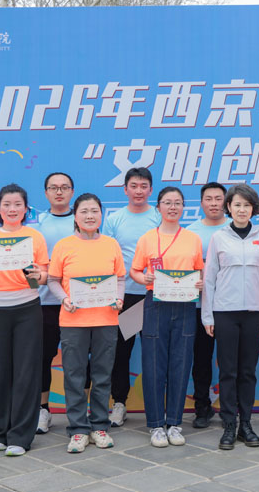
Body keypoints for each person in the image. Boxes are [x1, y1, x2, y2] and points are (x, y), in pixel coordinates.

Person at [0, 184, 50, 457]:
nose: (12, 209)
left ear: (26, 209)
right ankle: (1, 432)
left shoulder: (34, 237)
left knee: (26, 372)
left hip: (27, 309)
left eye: (17, 204)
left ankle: (21, 436)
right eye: (7, 204)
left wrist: (36, 275)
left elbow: (41, 279)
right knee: (0, 372)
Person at [46, 193, 126, 453]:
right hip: (73, 321)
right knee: (74, 376)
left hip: (106, 319)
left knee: (102, 375)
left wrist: (119, 299)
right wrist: (64, 299)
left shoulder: (111, 244)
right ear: (75, 215)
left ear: (102, 215)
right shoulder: (64, 245)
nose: (90, 216)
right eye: (84, 211)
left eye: (94, 211)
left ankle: (100, 426)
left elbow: (120, 278)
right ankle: (78, 429)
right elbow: (53, 280)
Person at [202, 184, 259, 449]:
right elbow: (209, 278)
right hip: (224, 312)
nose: (242, 210)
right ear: (229, 208)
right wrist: (208, 316)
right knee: (228, 371)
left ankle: (246, 424)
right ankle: (228, 425)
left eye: (246, 205)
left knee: (247, 371)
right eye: (237, 205)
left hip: (254, 312)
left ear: (253, 209)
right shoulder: (219, 237)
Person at [131, 186, 205, 447]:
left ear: (183, 207)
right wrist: (144, 278)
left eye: (177, 203)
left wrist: (199, 283)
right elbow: (135, 271)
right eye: (167, 202)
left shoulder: (193, 238)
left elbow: (199, 271)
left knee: (181, 364)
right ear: (159, 207)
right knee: (153, 365)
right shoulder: (147, 239)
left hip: (185, 306)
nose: (173, 207)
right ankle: (155, 425)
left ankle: (174, 423)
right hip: (155, 304)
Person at [103, 167, 161, 428]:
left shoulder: (159, 217)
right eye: (134, 186)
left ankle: (156, 404)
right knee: (121, 353)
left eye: (144, 186)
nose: (139, 191)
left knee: (154, 353)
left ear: (151, 190)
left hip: (154, 297)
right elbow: (107, 256)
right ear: (125, 189)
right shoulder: (115, 219)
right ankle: (119, 403)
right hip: (125, 297)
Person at [29, 172, 76, 435]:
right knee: (43, 357)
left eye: (64, 187)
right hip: (44, 302)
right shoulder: (36, 224)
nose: (59, 192)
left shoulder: (82, 220)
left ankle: (79, 411)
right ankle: (43, 410)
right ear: (46, 192)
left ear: (72, 192)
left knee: (78, 359)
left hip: (76, 302)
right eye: (53, 188)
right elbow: (29, 264)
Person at [185, 181, 229, 429]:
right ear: (201, 203)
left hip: (230, 306)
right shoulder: (190, 233)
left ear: (226, 202)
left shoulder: (235, 229)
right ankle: (202, 407)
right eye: (209, 199)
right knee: (201, 359)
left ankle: (230, 408)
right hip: (199, 306)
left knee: (229, 360)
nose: (214, 203)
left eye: (218, 198)